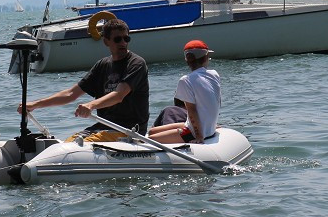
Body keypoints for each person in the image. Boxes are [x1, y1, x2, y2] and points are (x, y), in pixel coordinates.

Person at [18, 18, 149, 141]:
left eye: (126, 38)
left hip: (129, 130)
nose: (123, 43)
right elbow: (70, 94)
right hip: (103, 127)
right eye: (118, 39)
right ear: (106, 41)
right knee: (70, 142)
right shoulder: (102, 65)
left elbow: (118, 95)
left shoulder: (136, 64)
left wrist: (91, 105)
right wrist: (34, 105)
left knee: (78, 146)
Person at [148, 39, 221, 144]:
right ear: (205, 58)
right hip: (207, 128)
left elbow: (192, 111)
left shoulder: (186, 80)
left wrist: (199, 136)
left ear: (187, 61)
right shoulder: (214, 74)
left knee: (150, 140)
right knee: (151, 131)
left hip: (194, 132)